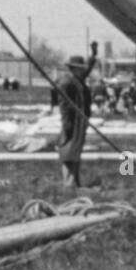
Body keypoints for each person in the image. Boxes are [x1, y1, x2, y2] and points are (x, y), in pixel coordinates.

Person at [56, 43, 98, 190]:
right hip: (72, 124)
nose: (83, 71)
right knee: (68, 152)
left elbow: (88, 69)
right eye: (80, 69)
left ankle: (75, 181)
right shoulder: (67, 83)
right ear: (73, 69)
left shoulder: (78, 80)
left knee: (75, 152)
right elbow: (64, 106)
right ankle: (69, 183)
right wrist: (67, 124)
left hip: (80, 123)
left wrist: (93, 55)